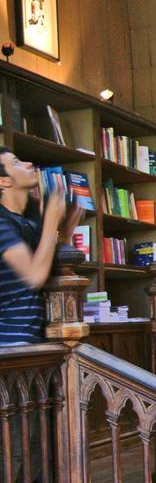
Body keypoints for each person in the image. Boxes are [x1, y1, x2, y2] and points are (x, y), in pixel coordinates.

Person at [0, 147, 80, 345]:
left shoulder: (26, 222)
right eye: (17, 162)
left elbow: (46, 269)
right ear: (4, 181)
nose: (29, 164)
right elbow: (34, 277)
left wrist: (66, 232)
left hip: (31, 338)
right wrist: (51, 221)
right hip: (9, 341)